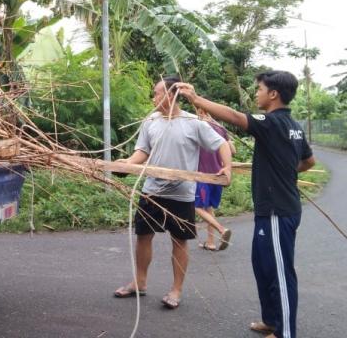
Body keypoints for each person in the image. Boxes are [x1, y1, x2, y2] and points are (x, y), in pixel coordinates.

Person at [176, 71, 315, 338]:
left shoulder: (271, 122)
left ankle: (286, 332)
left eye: (260, 89)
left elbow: (236, 117)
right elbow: (309, 162)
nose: (256, 93)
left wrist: (196, 98)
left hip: (278, 211)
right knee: (263, 265)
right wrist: (288, 171)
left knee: (280, 272)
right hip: (271, 209)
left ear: (273, 94)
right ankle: (272, 321)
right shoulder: (293, 126)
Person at [114, 76, 232, 309]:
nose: (154, 97)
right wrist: (127, 164)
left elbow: (222, 144)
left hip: (181, 194)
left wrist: (226, 167)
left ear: (172, 95)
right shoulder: (150, 121)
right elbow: (142, 151)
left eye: (157, 93)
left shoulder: (194, 123)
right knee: (143, 237)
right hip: (151, 191)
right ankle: (140, 281)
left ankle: (176, 290)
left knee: (179, 241)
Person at [195, 110, 236, 251]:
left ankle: (221, 229)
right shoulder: (220, 127)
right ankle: (211, 242)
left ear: (200, 110)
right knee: (208, 208)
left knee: (196, 206)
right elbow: (233, 150)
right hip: (218, 175)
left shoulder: (198, 126)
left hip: (203, 175)